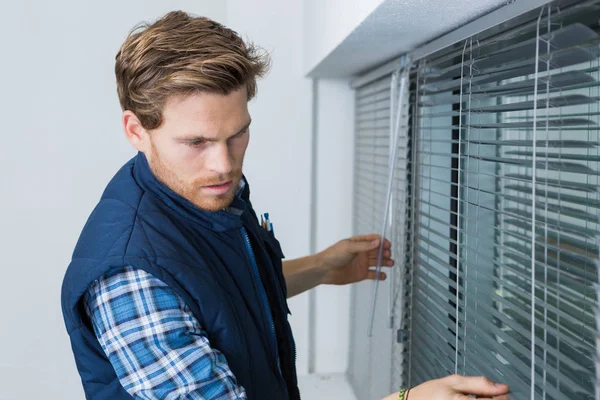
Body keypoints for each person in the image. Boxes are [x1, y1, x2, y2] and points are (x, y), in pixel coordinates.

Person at [61, 11, 510, 400]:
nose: (223, 164)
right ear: (136, 130)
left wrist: (321, 268)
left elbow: (216, 295)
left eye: (237, 134)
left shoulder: (191, 194)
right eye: (196, 142)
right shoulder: (130, 277)